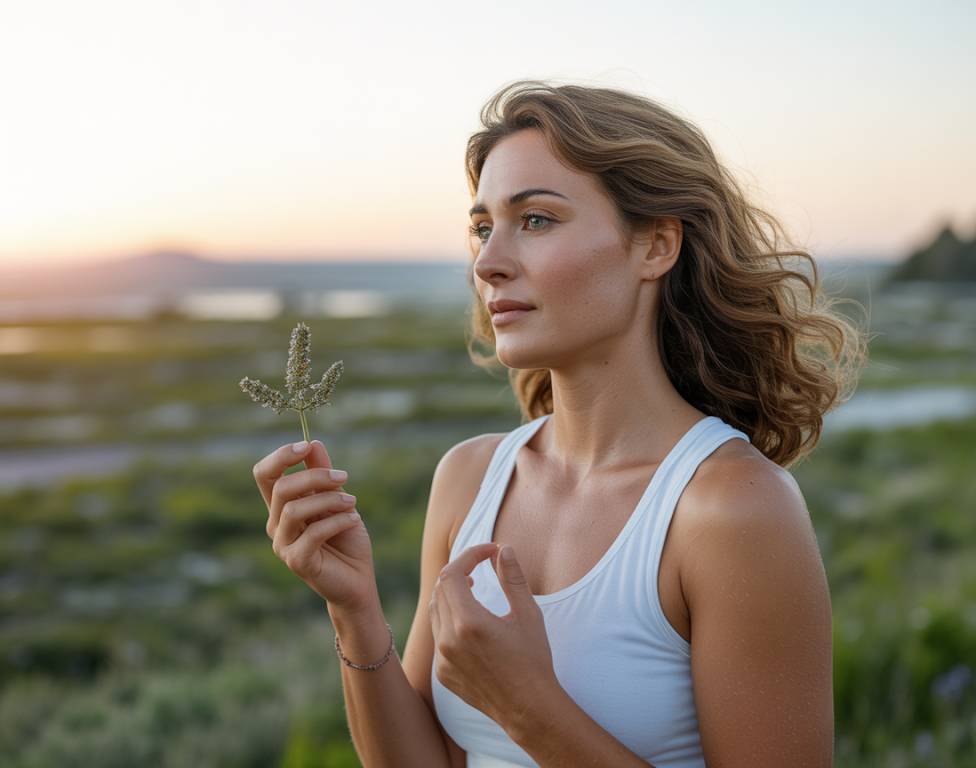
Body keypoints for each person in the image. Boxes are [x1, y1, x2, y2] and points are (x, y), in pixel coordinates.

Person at [252, 79, 869, 767]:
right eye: (484, 228)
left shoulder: (732, 510)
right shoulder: (469, 479)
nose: (488, 262)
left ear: (656, 246)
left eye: (536, 220)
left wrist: (528, 707)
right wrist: (356, 613)